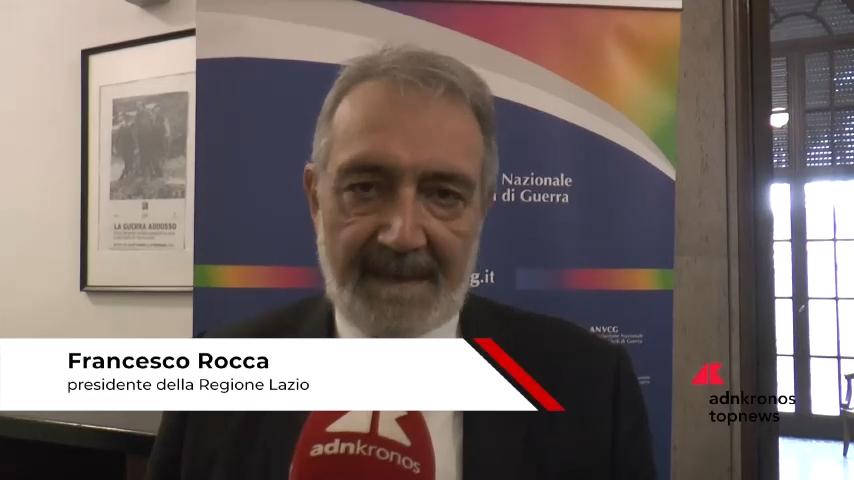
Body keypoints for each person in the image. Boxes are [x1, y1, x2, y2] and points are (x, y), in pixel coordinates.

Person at [145, 45, 656, 480]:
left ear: (482, 210)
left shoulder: (590, 387)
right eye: (366, 188)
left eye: (444, 195)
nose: (403, 234)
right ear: (316, 199)